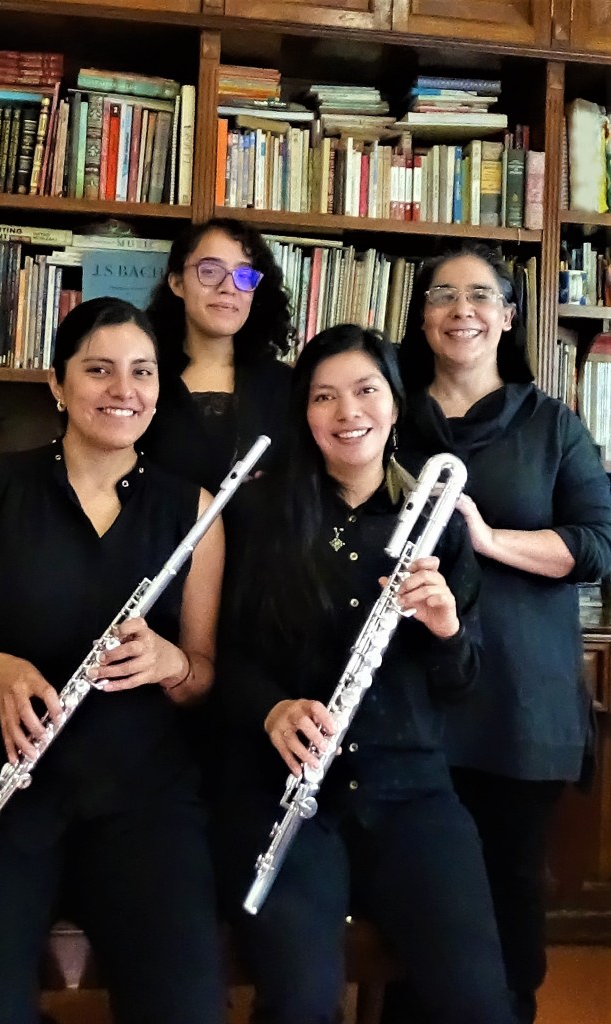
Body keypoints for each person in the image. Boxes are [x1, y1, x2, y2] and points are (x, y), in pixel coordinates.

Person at [0, 297, 226, 1024]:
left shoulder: (196, 509)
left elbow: (202, 678)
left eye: (142, 371)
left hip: (142, 806)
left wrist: (171, 663)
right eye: (98, 370)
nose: (123, 389)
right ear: (57, 383)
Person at [214, 323, 518, 1024]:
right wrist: (272, 711)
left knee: (477, 1001)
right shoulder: (259, 513)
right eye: (324, 396)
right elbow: (222, 658)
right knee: (300, 1000)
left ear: (396, 401)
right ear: (304, 411)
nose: (347, 412)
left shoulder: (438, 522)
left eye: (365, 390)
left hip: (409, 790)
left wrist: (445, 628)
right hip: (282, 789)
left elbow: (461, 684)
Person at [397, 244, 611, 1024]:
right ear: (421, 316)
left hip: (521, 702)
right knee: (413, 891)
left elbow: (596, 547)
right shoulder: (388, 415)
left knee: (509, 888)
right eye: (443, 294)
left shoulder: (552, 424)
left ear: (509, 316)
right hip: (411, 697)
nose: (462, 311)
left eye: (481, 295)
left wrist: (488, 540)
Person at [143, 217, 294, 493]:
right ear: (177, 283)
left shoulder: (285, 385)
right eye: (210, 271)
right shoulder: (142, 379)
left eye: (244, 275)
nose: (228, 287)